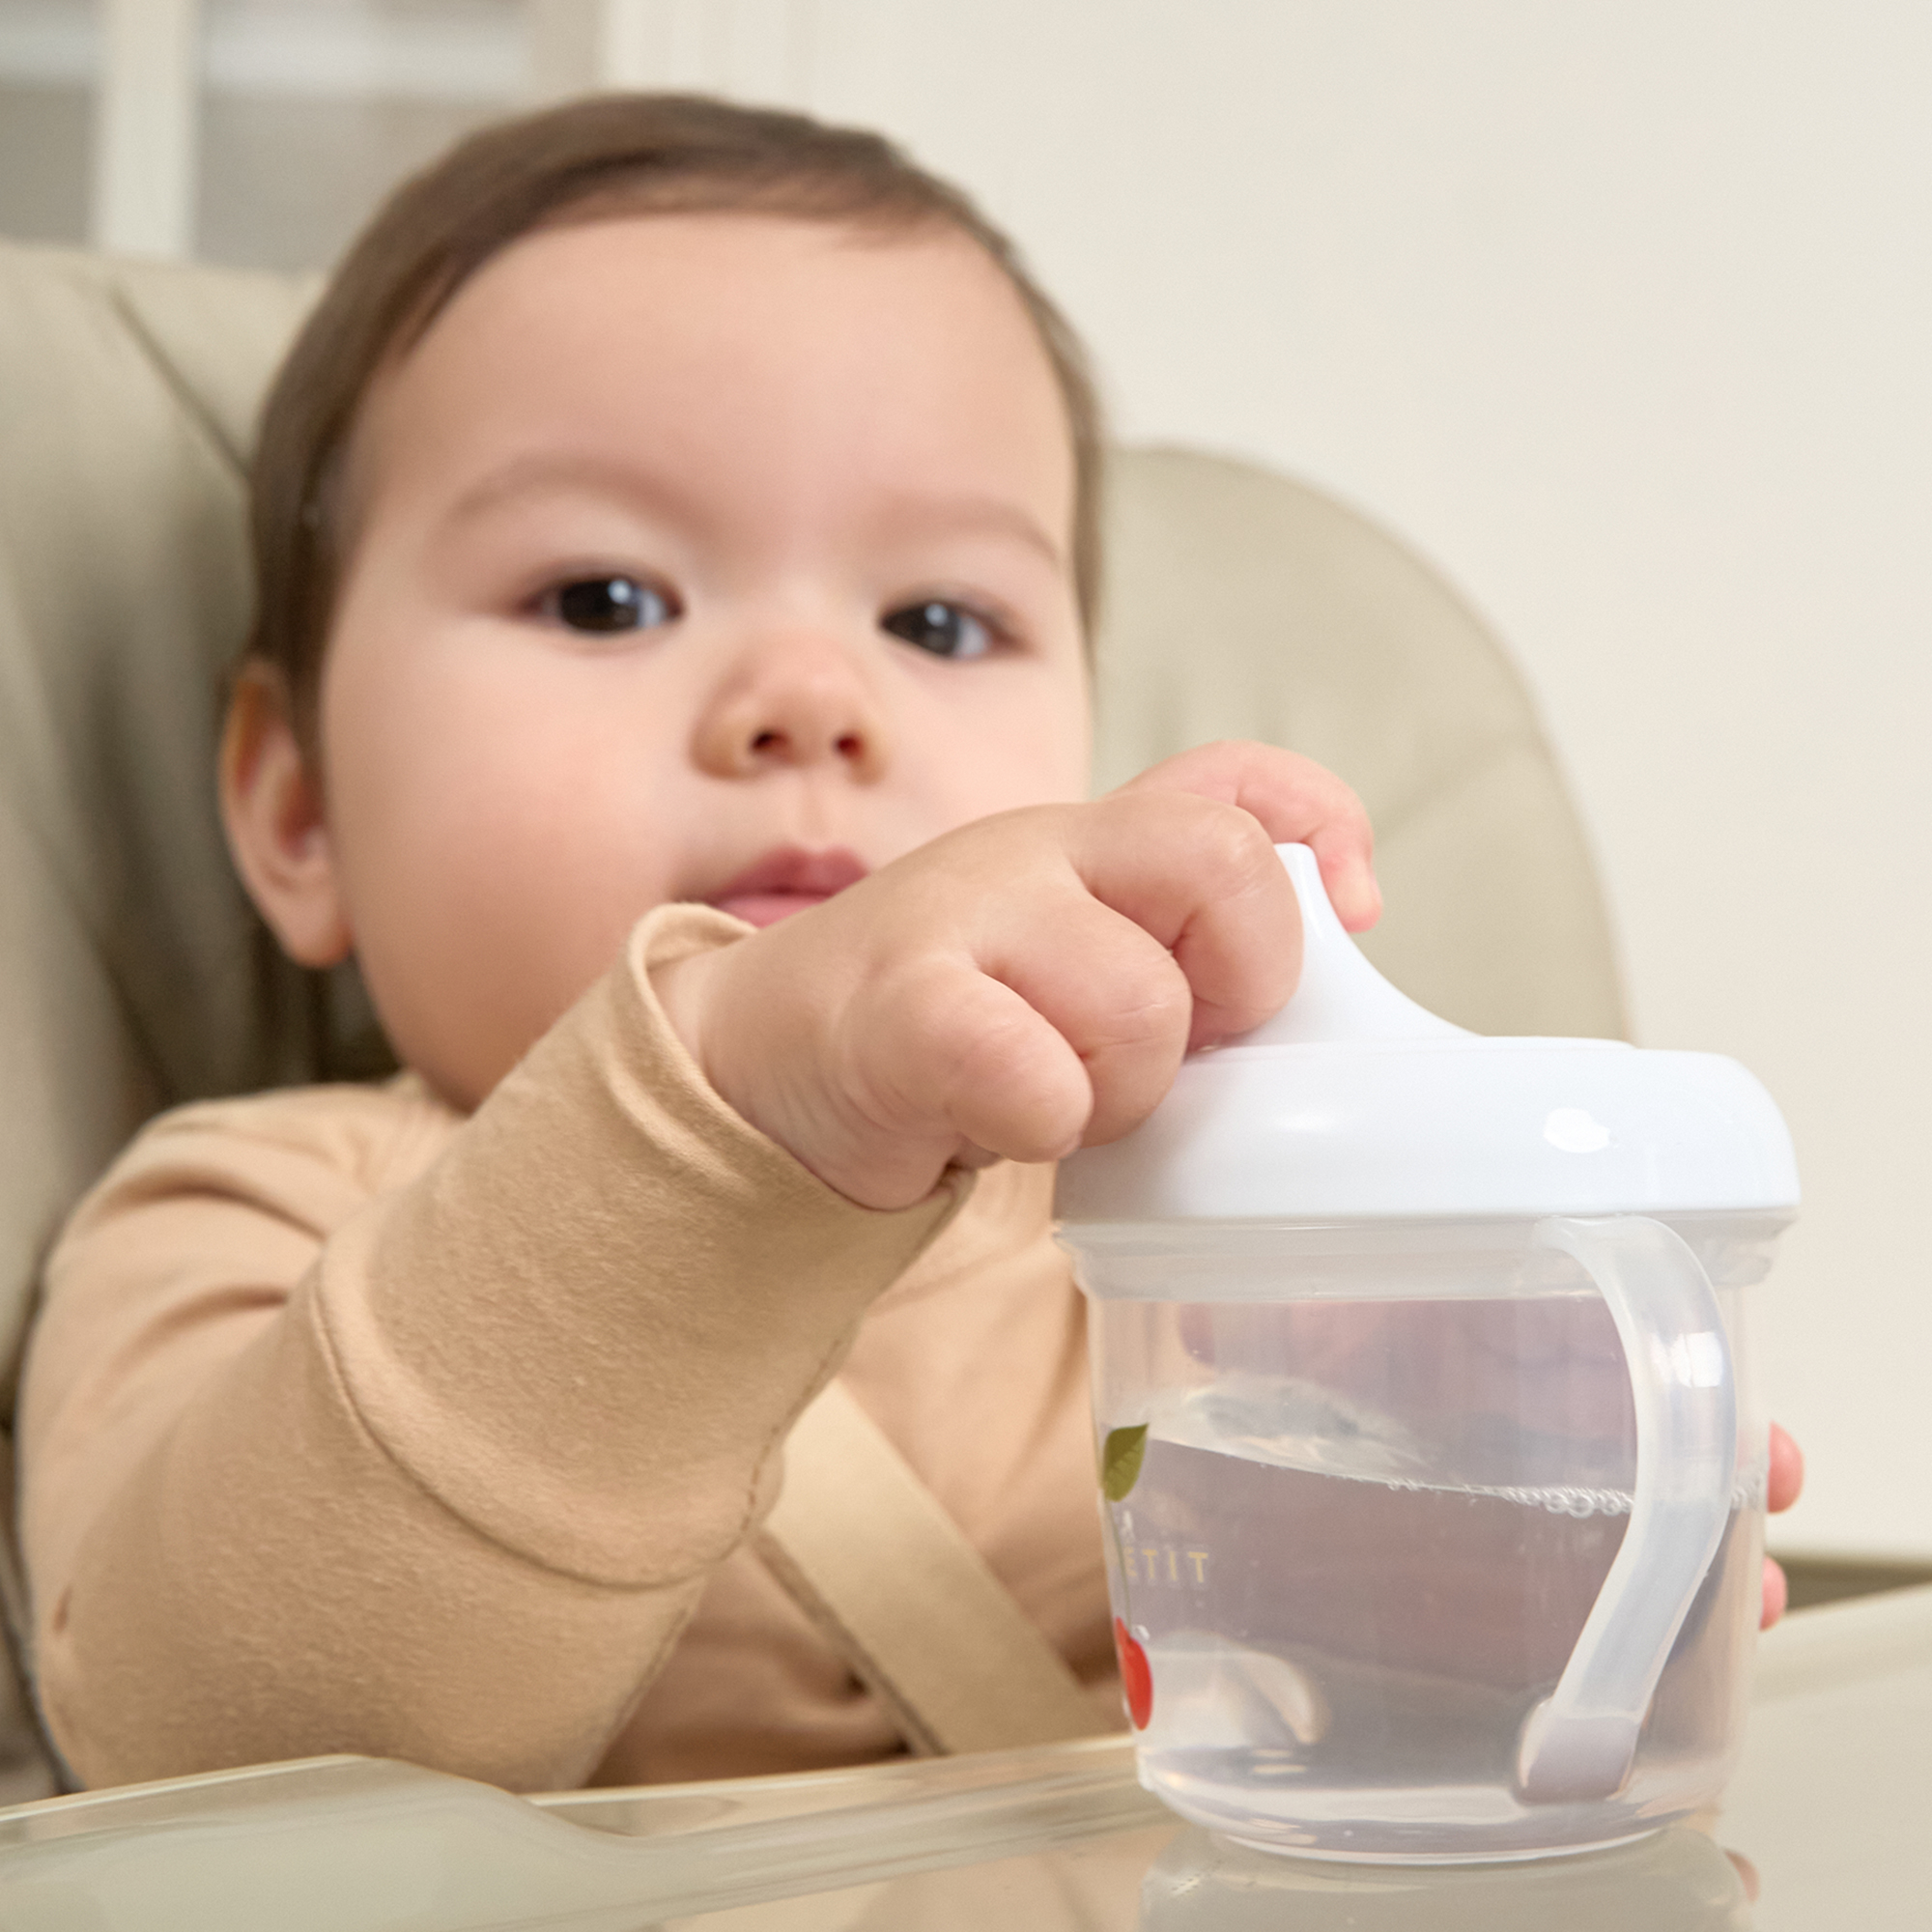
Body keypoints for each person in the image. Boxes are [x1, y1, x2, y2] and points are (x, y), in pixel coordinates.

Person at [14, 94, 1802, 1796]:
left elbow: (1332, 1768)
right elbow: (217, 1775)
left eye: (938, 619)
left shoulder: (1199, 1246)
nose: (814, 701)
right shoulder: (255, 1216)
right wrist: (734, 1099)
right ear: (299, 810)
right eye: (605, 597)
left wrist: (1522, 1592)